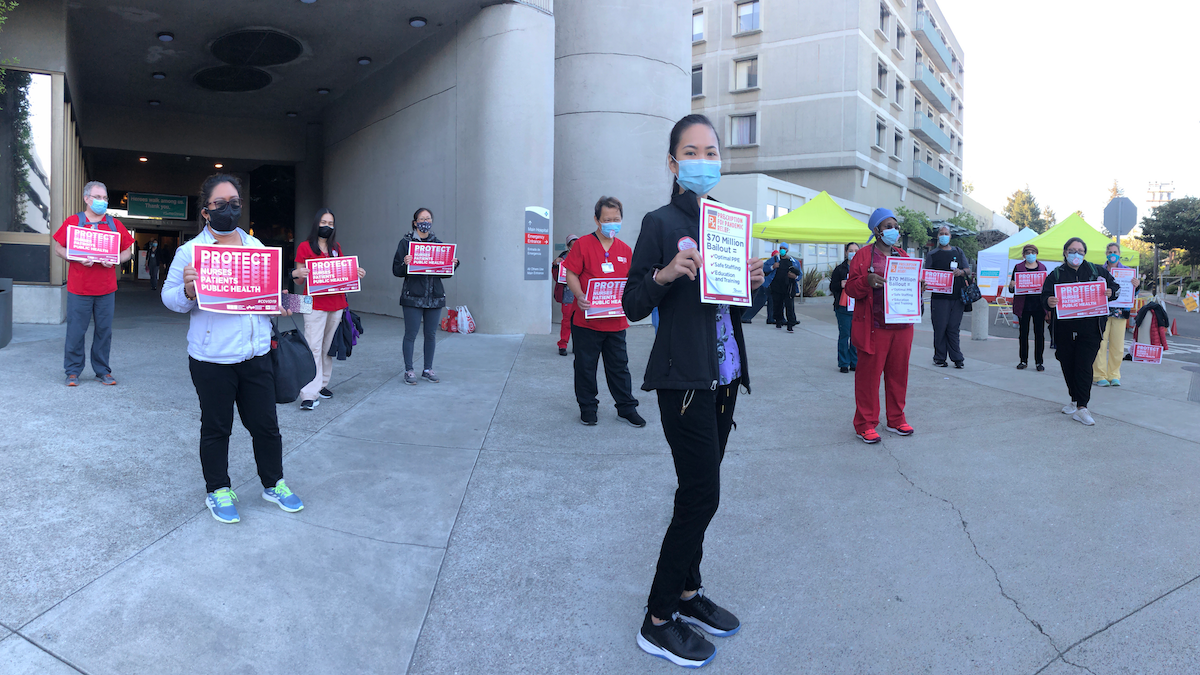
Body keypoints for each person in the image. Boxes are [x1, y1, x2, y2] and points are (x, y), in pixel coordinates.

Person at [623, 113, 765, 669]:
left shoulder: (727, 224)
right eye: (692, 150)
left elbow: (735, 313)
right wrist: (663, 275)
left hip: (724, 378)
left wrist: (751, 285)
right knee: (701, 495)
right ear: (673, 161)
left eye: (712, 150)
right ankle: (657, 620)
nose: (704, 159)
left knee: (700, 490)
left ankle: (688, 592)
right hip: (682, 381)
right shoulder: (659, 223)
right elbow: (633, 303)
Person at [162, 174, 304, 524]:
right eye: (221, 204)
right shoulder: (190, 252)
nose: (229, 209)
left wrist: (291, 302)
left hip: (255, 355)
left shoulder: (256, 249)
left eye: (235, 203)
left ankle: (274, 483)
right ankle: (218, 489)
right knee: (216, 428)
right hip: (211, 360)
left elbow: (271, 298)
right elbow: (169, 298)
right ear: (206, 211)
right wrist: (188, 292)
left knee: (266, 426)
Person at [562, 196, 645, 428]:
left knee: (619, 367)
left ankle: (626, 408)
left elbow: (632, 282)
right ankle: (588, 408)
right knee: (585, 367)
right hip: (587, 321)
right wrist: (579, 296)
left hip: (616, 321)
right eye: (607, 219)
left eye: (616, 219)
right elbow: (571, 273)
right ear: (597, 220)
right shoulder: (582, 245)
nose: (612, 223)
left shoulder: (625, 250)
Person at [51, 181, 135, 387]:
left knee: (104, 331)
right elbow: (58, 247)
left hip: (106, 289)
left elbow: (127, 251)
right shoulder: (74, 221)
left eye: (105, 198)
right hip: (79, 289)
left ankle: (102, 371)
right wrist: (75, 257)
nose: (102, 201)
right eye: (98, 197)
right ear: (87, 199)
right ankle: (72, 371)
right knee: (76, 331)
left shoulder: (114, 224)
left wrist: (115, 259)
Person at [847, 208, 916, 444]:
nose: (893, 230)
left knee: (899, 374)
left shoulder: (903, 256)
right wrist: (866, 281)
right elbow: (851, 289)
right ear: (876, 230)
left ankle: (896, 419)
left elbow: (909, 283)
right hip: (874, 327)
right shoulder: (863, 256)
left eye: (895, 226)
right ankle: (865, 424)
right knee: (869, 377)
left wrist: (919, 287)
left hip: (902, 327)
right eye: (888, 226)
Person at [292, 208, 367, 410]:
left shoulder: (336, 248)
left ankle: (322, 384)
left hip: (337, 304)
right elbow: (298, 280)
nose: (327, 226)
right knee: (313, 347)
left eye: (331, 223)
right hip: (313, 303)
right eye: (324, 222)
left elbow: (343, 273)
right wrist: (297, 272)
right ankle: (308, 393)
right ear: (317, 224)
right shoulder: (305, 247)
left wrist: (355, 272)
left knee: (327, 348)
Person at [1043, 237, 1120, 426]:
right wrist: (1048, 301)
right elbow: (1044, 295)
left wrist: (1111, 292)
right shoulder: (1056, 274)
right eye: (1072, 250)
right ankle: (1075, 399)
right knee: (1067, 364)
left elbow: (1115, 288)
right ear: (1065, 252)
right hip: (1064, 329)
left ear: (1085, 253)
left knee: (1084, 366)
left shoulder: (1096, 271)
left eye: (1080, 251)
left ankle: (1082, 408)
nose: (1076, 254)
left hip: (1090, 329)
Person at [392, 208, 460, 385]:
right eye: (422, 219)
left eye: (428, 218)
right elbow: (396, 270)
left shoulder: (438, 244)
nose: (425, 222)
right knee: (411, 334)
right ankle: (409, 370)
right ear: (415, 222)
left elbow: (445, 274)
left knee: (430, 334)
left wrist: (453, 264)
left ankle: (427, 369)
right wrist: (405, 263)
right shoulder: (406, 242)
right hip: (412, 297)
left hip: (435, 297)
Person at [1093, 242, 1139, 387]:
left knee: (1117, 345)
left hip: (1120, 312)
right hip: (1102, 312)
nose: (1112, 254)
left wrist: (1136, 286)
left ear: (1119, 254)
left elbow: (1133, 293)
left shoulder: (1128, 272)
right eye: (1110, 251)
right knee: (1100, 343)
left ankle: (1114, 375)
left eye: (1115, 251)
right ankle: (1099, 375)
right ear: (1106, 254)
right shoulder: (1099, 270)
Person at [924, 225, 970, 368]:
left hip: (957, 297)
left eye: (946, 233)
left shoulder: (958, 251)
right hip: (939, 298)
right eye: (941, 233)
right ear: (938, 236)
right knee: (940, 327)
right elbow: (926, 274)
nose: (944, 235)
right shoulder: (932, 254)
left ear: (950, 236)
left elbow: (968, 270)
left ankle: (957, 358)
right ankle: (939, 357)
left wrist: (961, 272)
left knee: (953, 328)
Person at [1007, 244, 1048, 371]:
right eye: (1028, 252)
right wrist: (1012, 285)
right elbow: (1011, 288)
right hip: (1023, 305)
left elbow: (1046, 288)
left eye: (1033, 252)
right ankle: (1023, 360)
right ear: (1023, 255)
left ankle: (1039, 362)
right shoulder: (1018, 267)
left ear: (1036, 253)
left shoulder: (1042, 268)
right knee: (1023, 334)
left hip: (1039, 306)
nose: (1030, 254)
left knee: (1039, 334)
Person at [829, 242, 860, 373]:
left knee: (856, 336)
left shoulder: (862, 268)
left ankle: (855, 362)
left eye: (856, 250)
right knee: (845, 335)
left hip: (858, 307)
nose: (853, 253)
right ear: (846, 252)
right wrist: (840, 284)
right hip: (843, 307)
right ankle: (843, 363)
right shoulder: (840, 269)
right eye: (851, 250)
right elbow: (832, 287)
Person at [551, 234, 580, 356]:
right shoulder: (562, 257)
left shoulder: (583, 256)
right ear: (568, 246)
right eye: (572, 246)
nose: (574, 248)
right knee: (567, 322)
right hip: (568, 295)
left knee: (579, 323)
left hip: (580, 295)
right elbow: (556, 277)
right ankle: (563, 345)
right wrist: (555, 265)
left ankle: (577, 345)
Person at [740, 249, 777, 325]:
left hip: (775, 286)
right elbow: (765, 269)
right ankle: (746, 317)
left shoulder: (785, 261)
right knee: (760, 300)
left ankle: (771, 318)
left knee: (772, 302)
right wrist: (772, 267)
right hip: (766, 285)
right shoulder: (770, 261)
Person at [769, 243, 800, 332]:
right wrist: (772, 267)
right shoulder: (774, 259)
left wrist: (795, 277)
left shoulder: (794, 261)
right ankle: (778, 321)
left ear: (787, 250)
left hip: (789, 287)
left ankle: (790, 324)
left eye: (784, 248)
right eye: (781, 248)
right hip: (777, 287)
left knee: (789, 306)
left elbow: (800, 274)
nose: (782, 250)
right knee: (777, 305)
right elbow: (765, 268)